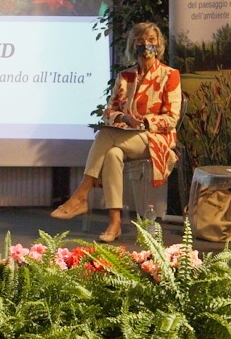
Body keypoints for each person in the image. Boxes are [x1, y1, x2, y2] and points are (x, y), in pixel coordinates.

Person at [50, 21, 182, 243]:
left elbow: (171, 119)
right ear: (133, 45)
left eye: (151, 40)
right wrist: (124, 118)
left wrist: (144, 121)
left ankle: (81, 194)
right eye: (140, 40)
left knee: (105, 135)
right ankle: (115, 223)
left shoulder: (170, 75)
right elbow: (109, 111)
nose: (146, 44)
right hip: (125, 138)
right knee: (112, 154)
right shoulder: (125, 76)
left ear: (159, 45)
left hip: (155, 139)